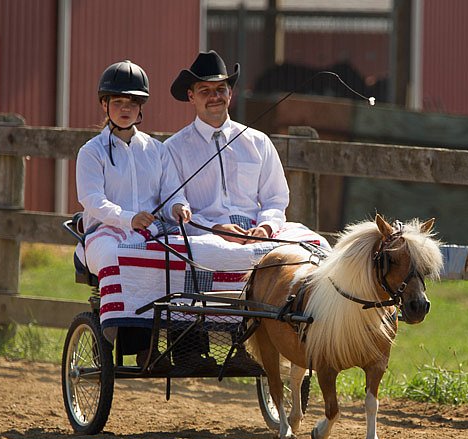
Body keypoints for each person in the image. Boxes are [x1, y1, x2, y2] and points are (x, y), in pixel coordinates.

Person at [164, 50, 330, 270]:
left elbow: (276, 198)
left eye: (220, 89)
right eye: (205, 90)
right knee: (205, 253)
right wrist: (215, 228)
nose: (215, 97)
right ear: (191, 96)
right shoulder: (173, 148)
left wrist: (265, 228)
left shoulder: (258, 142)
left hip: (256, 232)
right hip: (204, 235)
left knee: (318, 248)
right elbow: (172, 203)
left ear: (230, 93)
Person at [75, 60, 191, 352]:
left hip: (151, 230)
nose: (125, 108)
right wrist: (129, 219)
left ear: (141, 107)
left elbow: (171, 193)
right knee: (119, 256)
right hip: (105, 232)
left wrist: (178, 207)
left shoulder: (157, 150)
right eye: (117, 101)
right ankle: (122, 333)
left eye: (132, 102)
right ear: (105, 105)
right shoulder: (91, 152)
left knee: (188, 254)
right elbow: (92, 200)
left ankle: (184, 342)